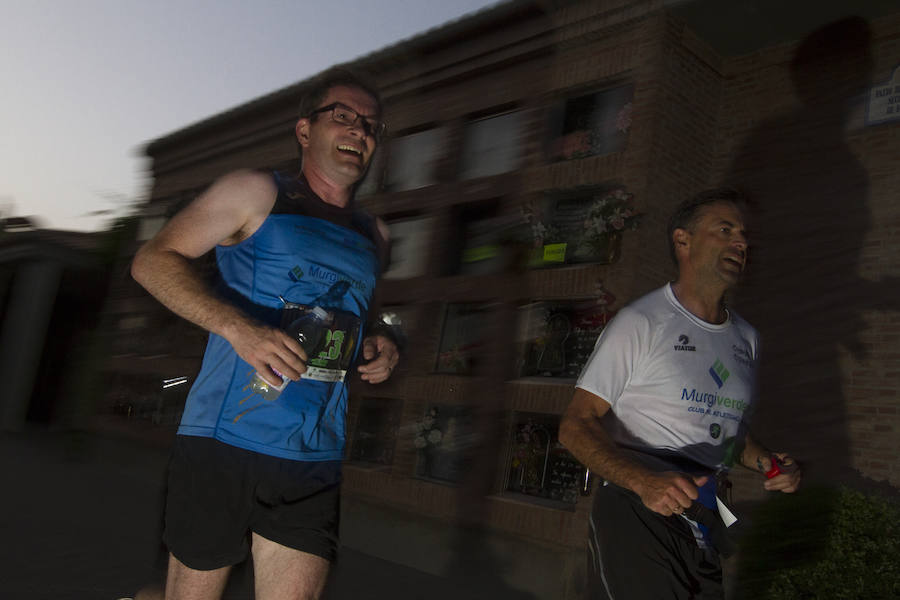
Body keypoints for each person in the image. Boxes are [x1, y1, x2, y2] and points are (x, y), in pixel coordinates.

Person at [131, 68, 399, 600]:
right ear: (304, 131)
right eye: (342, 115)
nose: (359, 130)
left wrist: (381, 342)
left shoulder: (375, 233)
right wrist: (238, 328)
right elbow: (152, 261)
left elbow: (361, 315)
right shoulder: (255, 192)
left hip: (313, 452)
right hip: (225, 440)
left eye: (369, 124)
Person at [559, 189, 801, 599]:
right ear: (683, 240)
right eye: (725, 230)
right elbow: (574, 425)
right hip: (637, 506)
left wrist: (768, 462)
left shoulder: (747, 338)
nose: (741, 243)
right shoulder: (641, 322)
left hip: (706, 512)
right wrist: (644, 482)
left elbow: (728, 435)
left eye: (742, 234)